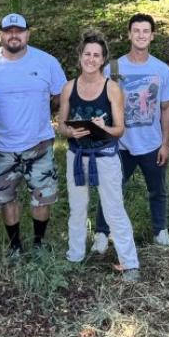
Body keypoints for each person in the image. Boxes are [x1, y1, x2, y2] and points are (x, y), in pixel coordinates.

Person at [0, 14, 67, 257]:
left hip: (39, 145)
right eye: (8, 31)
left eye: (19, 31)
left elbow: (60, 96)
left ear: (27, 34)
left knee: (43, 198)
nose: (14, 35)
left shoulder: (47, 62)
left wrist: (46, 114)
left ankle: (38, 242)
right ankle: (15, 245)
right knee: (6, 198)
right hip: (1, 147)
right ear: (0, 35)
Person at [58, 31, 140, 281]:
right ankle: (75, 255)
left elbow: (119, 128)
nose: (91, 59)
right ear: (80, 56)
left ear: (103, 59)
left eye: (96, 55)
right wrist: (70, 130)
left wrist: (102, 128)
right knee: (77, 208)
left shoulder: (112, 88)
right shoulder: (69, 87)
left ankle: (130, 262)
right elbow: (61, 126)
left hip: (104, 155)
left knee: (114, 208)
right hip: (76, 154)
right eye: (87, 54)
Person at [94, 13, 169, 250]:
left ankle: (160, 232)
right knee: (111, 189)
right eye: (136, 31)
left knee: (157, 191)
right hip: (120, 144)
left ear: (152, 36)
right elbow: (103, 105)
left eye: (145, 31)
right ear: (129, 34)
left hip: (152, 144)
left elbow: (167, 109)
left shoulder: (162, 69)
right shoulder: (113, 67)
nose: (141, 35)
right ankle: (101, 233)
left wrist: (165, 143)